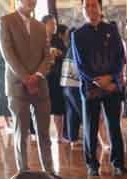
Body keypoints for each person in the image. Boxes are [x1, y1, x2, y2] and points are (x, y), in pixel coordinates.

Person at [0, 0, 58, 178]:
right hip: (18, 87)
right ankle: (23, 173)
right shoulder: (6, 21)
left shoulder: (40, 26)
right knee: (21, 132)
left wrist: (37, 76)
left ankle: (49, 171)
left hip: (40, 86)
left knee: (44, 132)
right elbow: (7, 54)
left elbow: (47, 56)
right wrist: (26, 78)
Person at [73, 0, 127, 177]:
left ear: (100, 8)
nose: (91, 9)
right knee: (90, 126)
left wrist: (111, 77)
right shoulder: (78, 34)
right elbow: (80, 64)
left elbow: (120, 57)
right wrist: (97, 80)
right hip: (91, 87)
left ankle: (118, 162)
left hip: (112, 85)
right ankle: (92, 164)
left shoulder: (111, 29)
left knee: (114, 125)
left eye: (94, 5)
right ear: (82, 10)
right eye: (86, 6)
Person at [43, 16, 68, 144]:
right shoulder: (39, 39)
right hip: (43, 78)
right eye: (51, 24)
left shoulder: (58, 40)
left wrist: (59, 53)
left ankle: (59, 135)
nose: (54, 26)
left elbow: (65, 54)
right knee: (44, 108)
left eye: (55, 24)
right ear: (44, 25)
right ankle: (45, 136)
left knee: (58, 107)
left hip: (56, 77)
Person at [60, 28, 83, 145]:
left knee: (71, 112)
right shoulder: (77, 48)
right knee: (84, 113)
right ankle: (97, 139)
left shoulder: (69, 47)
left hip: (65, 84)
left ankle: (72, 138)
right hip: (74, 85)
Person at [0, 34, 14, 131]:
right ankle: (7, 123)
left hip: (11, 71)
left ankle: (12, 121)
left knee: (11, 97)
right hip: (1, 71)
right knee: (3, 97)